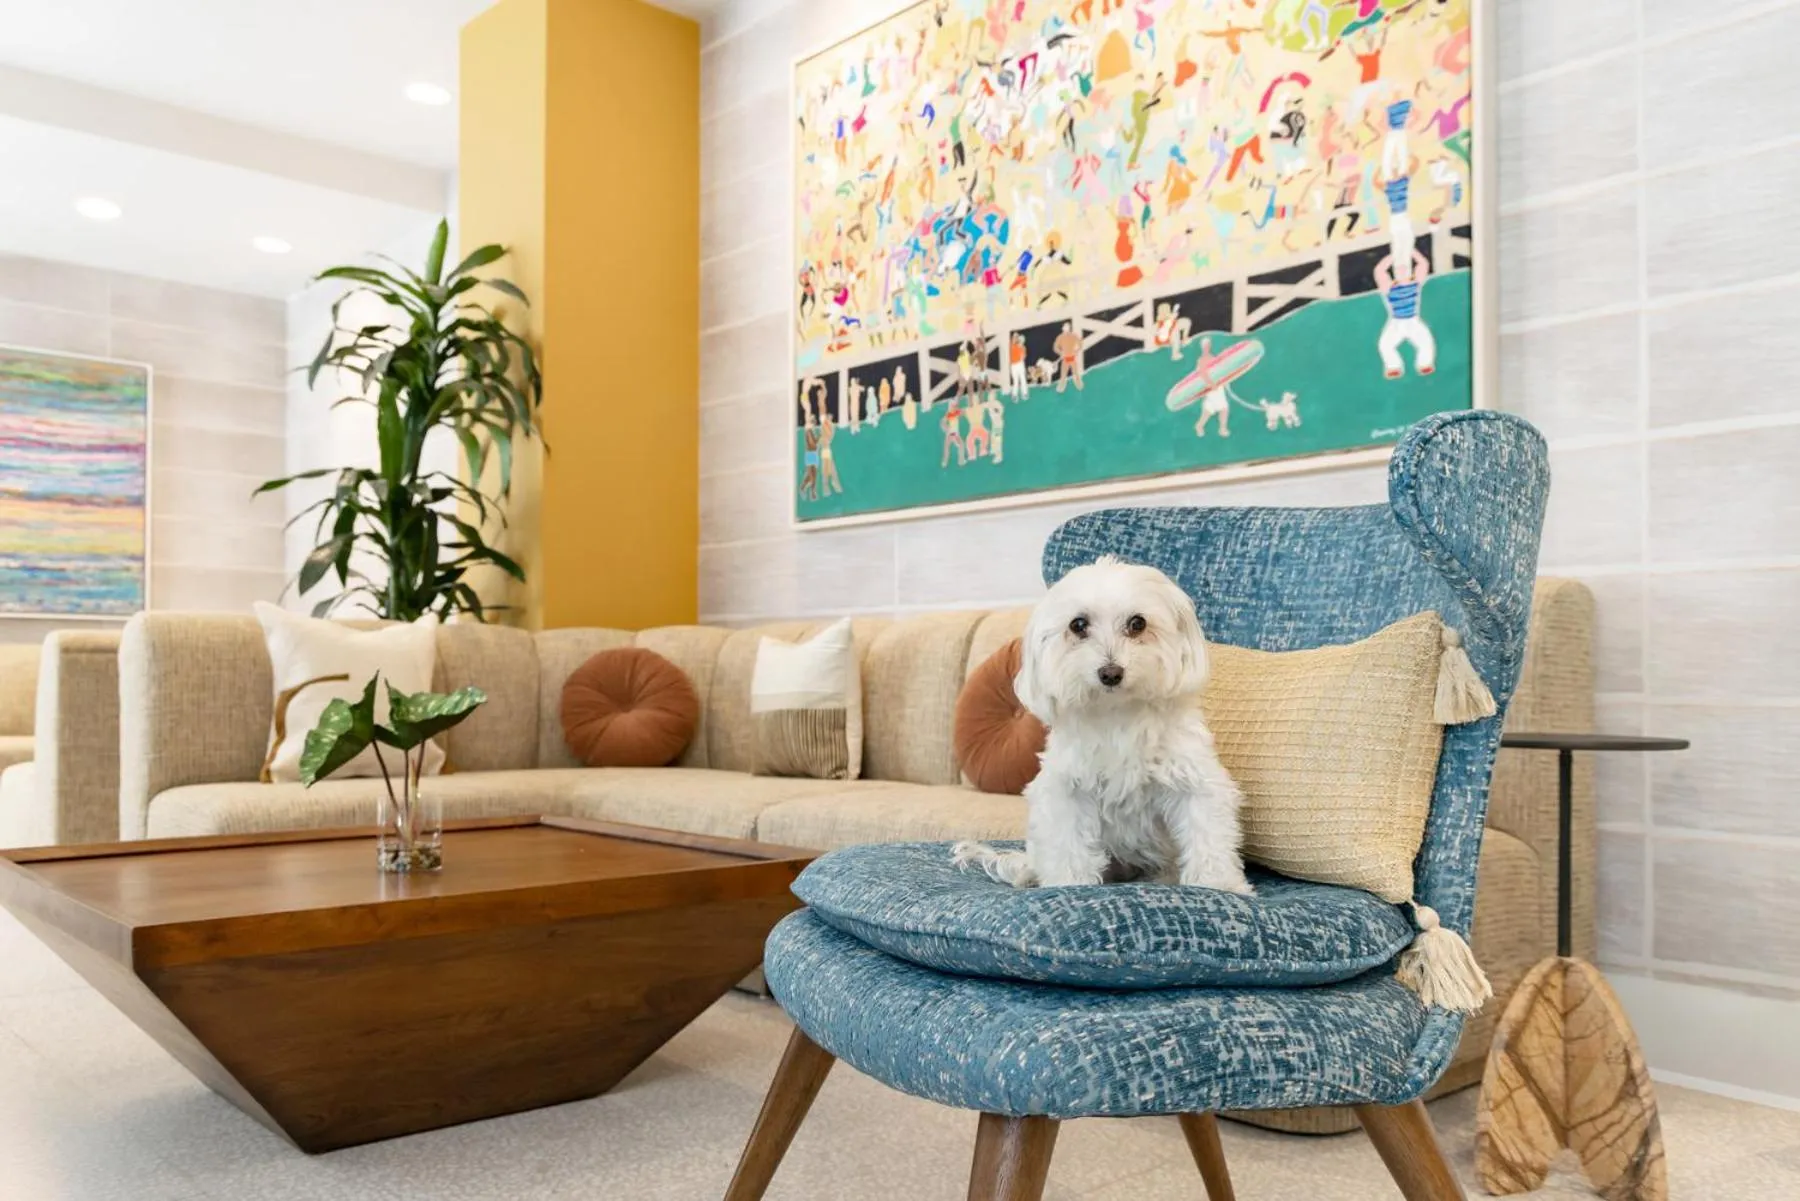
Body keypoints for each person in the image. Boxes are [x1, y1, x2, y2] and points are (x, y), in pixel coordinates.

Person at [1374, 246, 1436, 378]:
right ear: (1394, 272)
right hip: (1396, 323)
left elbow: (1423, 264)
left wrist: (1411, 251)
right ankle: (1393, 367)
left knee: (1426, 342)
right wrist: (1394, 255)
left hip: (1413, 321)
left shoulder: (1415, 284)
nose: (1402, 271)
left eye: (1405, 269)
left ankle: (1424, 364)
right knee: (1385, 345)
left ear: (1410, 271)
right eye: (1398, 269)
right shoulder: (1389, 288)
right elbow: (1379, 271)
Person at [1054, 321, 1083, 392]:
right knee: (1063, 374)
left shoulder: (1074, 336)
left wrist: (1076, 350)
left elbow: (1080, 344)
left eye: (1067, 327)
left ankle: (1079, 384)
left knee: (1076, 373)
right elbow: (1055, 347)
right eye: (1065, 327)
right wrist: (1061, 353)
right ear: (1062, 328)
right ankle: (1061, 386)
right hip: (1065, 359)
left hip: (1072, 358)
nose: (1066, 328)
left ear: (1069, 328)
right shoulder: (1060, 337)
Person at [819, 415, 843, 496]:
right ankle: (829, 485)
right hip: (825, 449)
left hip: (826, 449)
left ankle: (833, 484)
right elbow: (825, 438)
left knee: (830, 467)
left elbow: (829, 436)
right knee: (827, 467)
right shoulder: (825, 426)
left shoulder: (828, 426)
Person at [1008, 331, 1029, 398]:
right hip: (1013, 366)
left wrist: (1021, 348)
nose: (1015, 338)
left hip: (1020, 364)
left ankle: (1025, 393)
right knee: (1016, 381)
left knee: (1023, 379)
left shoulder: (1023, 347)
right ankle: (1014, 395)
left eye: (1017, 337)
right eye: (1014, 337)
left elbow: (1023, 357)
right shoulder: (1011, 346)